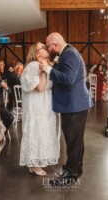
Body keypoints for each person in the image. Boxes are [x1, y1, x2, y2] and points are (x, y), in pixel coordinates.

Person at [40, 32, 93, 185]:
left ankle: (71, 176)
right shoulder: (66, 53)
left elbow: (69, 79)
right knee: (76, 140)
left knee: (73, 141)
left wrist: (49, 70)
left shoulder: (69, 54)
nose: (48, 49)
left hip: (74, 105)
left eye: (48, 46)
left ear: (55, 45)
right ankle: (76, 168)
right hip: (74, 104)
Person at [19, 42, 60, 176]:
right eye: (43, 48)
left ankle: (34, 163)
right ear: (37, 54)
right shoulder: (34, 65)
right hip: (36, 105)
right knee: (36, 131)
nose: (46, 48)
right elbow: (40, 88)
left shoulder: (44, 65)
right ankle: (35, 165)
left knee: (41, 131)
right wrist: (43, 71)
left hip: (44, 104)